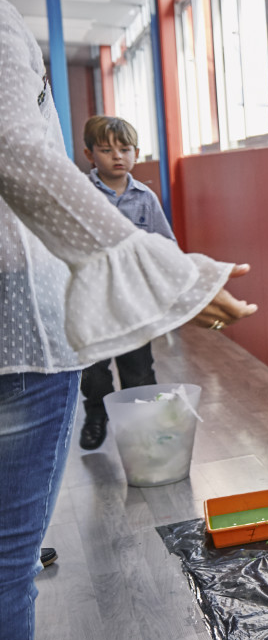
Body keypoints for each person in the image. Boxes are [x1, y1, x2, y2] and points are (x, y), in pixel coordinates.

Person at [0, 0, 257, 640]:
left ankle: (110, 407)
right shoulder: (4, 33)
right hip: (24, 336)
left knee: (130, 363)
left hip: (107, 318)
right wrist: (183, 284)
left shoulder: (144, 194)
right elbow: (21, 159)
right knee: (7, 562)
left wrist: (169, 280)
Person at [76, 115, 177, 450]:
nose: (117, 156)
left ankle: (146, 425)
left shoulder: (144, 197)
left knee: (138, 370)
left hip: (133, 304)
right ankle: (96, 414)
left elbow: (165, 245)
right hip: (91, 304)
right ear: (90, 155)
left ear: (137, 152)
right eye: (106, 150)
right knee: (93, 372)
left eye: (125, 149)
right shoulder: (79, 194)